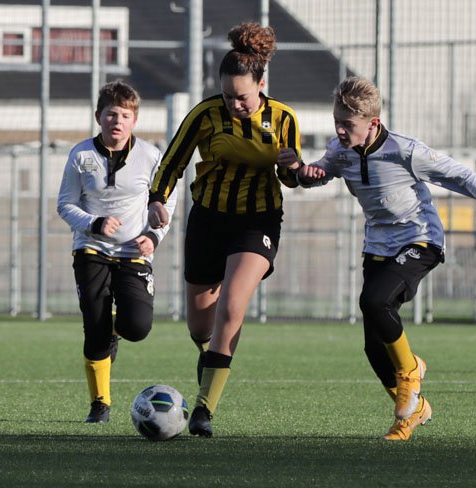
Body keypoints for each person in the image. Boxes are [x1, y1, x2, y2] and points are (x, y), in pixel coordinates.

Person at [278, 76, 476, 441]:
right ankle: (412, 413)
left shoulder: (406, 151)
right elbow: (317, 175)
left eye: (348, 124)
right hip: (378, 246)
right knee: (374, 347)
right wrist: (301, 171)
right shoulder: (340, 150)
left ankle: (411, 372)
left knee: (374, 300)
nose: (340, 130)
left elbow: (465, 177)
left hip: (420, 240)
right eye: (337, 122)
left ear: (373, 123)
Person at [148, 22, 302, 437]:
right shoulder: (205, 114)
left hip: (258, 221)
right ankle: (211, 357)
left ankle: (203, 410)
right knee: (200, 326)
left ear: (261, 84)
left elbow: (291, 178)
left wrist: (292, 168)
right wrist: (157, 199)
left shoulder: (284, 117)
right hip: (208, 219)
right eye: (228, 95)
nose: (235, 103)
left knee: (232, 307)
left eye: (242, 96)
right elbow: (173, 160)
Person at [57, 80, 176, 424]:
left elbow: (166, 200)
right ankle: (100, 405)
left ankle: (114, 331)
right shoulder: (81, 155)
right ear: (99, 116)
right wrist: (94, 223)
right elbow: (65, 205)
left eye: (125, 115)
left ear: (134, 120)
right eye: (111, 114)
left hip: (134, 253)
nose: (117, 121)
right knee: (94, 326)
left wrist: (154, 235)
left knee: (137, 327)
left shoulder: (150, 156)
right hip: (90, 249)